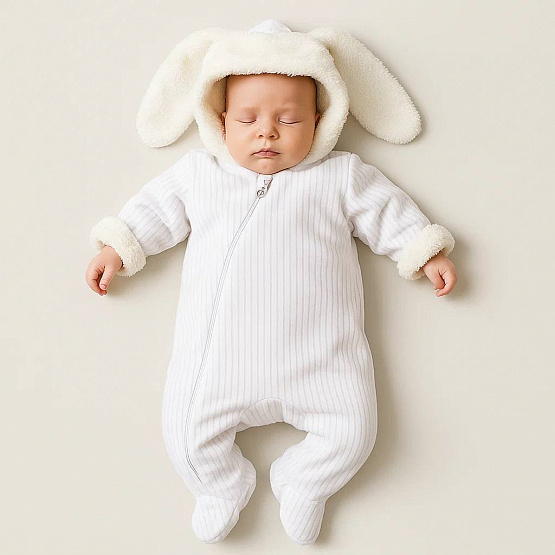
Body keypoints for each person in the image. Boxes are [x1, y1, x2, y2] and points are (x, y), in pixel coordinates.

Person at [85, 21, 457, 545]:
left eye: (288, 119)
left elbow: (387, 211)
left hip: (321, 358)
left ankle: (303, 482)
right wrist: (118, 246)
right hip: (217, 361)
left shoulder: (341, 177)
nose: (267, 132)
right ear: (220, 121)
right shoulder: (199, 175)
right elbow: (154, 210)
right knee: (185, 436)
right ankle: (220, 486)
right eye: (248, 118)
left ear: (321, 122)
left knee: (354, 433)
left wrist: (423, 249)